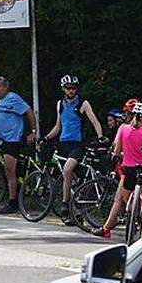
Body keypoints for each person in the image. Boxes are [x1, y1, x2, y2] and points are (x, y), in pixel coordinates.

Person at [42, 74, 104, 218]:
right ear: (63, 89)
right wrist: (46, 137)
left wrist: (100, 137)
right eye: (68, 88)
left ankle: (65, 204)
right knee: (70, 177)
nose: (71, 91)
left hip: (77, 145)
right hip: (63, 143)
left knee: (67, 170)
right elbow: (58, 126)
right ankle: (75, 209)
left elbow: (95, 122)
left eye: (73, 88)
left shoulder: (83, 103)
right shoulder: (60, 104)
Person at [92, 102, 142, 240]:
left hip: (127, 168)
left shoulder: (123, 128)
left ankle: (109, 227)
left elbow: (116, 150)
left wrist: (118, 156)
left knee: (120, 199)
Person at [0, 76, 37, 215]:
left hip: (12, 139)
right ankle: (13, 196)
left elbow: (29, 111)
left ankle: (12, 202)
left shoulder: (13, 98)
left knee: (10, 171)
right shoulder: (0, 100)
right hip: (2, 140)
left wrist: (33, 131)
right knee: (8, 171)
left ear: (6, 87)